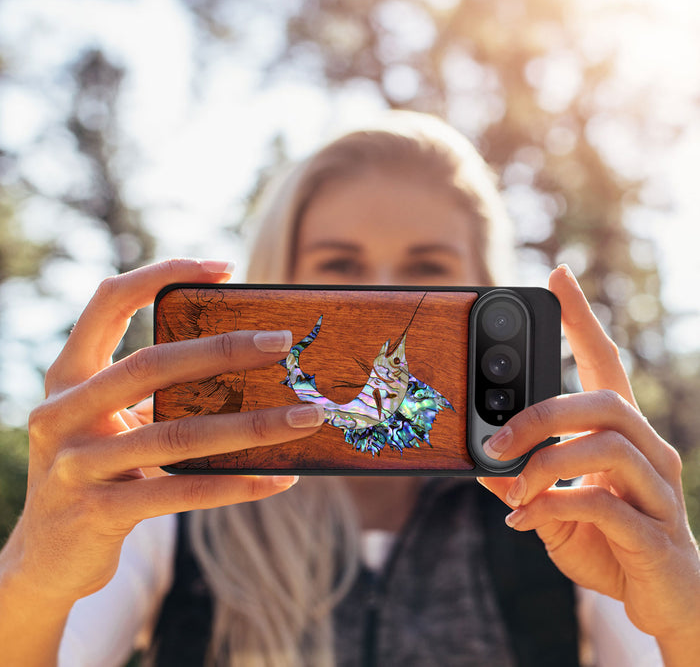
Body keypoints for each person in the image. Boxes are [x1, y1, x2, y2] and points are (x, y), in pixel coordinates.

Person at [0, 112, 698, 667]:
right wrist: (34, 574)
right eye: (340, 266)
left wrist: (685, 615)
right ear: (280, 279)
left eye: (427, 266)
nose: (387, 292)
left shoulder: (566, 511)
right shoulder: (171, 502)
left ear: (486, 290)